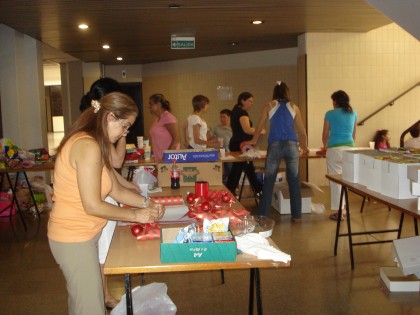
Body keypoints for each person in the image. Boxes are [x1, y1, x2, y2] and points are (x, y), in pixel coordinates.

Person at [48, 92, 165, 315]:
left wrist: (147, 204)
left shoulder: (96, 144)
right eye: (125, 126)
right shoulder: (87, 146)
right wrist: (136, 215)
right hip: (73, 239)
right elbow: (92, 205)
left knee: (83, 304)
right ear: (110, 117)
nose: (125, 133)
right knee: (90, 308)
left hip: (83, 236)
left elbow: (116, 190)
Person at [80, 77, 139, 310]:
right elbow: (115, 160)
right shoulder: (95, 132)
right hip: (97, 199)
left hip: (104, 191)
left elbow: (109, 167)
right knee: (101, 252)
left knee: (102, 251)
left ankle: (102, 294)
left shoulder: (96, 126)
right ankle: (103, 294)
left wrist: (124, 183)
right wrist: (124, 132)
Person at [247, 81, 309, 221]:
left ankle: (263, 215)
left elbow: (259, 126)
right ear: (287, 92)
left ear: (275, 92)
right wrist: (304, 147)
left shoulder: (269, 105)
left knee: (269, 180)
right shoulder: (294, 107)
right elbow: (302, 131)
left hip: (275, 145)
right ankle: (297, 216)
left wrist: (253, 142)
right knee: (293, 180)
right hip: (292, 146)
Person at [322, 90, 357, 221]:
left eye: (333, 101)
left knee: (336, 182)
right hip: (350, 149)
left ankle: (339, 212)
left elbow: (325, 135)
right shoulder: (353, 113)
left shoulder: (330, 114)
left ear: (336, 101)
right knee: (345, 179)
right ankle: (344, 208)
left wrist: (325, 146)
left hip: (335, 150)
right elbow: (354, 135)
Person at [80, 77, 126, 169]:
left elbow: (109, 172)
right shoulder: (95, 132)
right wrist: (123, 129)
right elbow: (117, 162)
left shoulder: (95, 127)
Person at [226, 92, 263, 197]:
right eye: (250, 101)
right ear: (242, 100)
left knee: (240, 169)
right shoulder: (242, 113)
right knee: (244, 169)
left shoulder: (234, 111)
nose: (251, 104)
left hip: (237, 143)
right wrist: (259, 131)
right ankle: (258, 190)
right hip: (242, 144)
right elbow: (247, 129)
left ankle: (231, 192)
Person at [148, 93, 180, 161]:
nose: (149, 107)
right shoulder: (158, 119)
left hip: (170, 159)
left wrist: (166, 157)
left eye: (151, 104)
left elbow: (176, 139)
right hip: (160, 157)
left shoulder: (168, 117)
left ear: (158, 105)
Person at [212, 109, 233, 185]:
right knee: (218, 170)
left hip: (229, 153)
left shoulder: (233, 128)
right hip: (218, 153)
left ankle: (229, 187)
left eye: (224, 117)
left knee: (230, 171)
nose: (222, 119)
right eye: (220, 117)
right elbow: (211, 138)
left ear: (229, 117)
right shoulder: (217, 128)